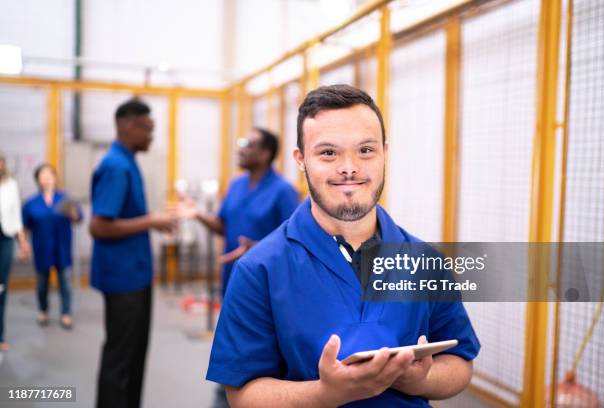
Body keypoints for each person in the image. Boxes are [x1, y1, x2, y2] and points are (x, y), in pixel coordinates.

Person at [206, 85, 480, 407]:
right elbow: (242, 395)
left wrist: (419, 379)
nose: (349, 167)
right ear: (301, 159)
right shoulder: (259, 269)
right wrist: (326, 394)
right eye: (328, 153)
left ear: (384, 153)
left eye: (365, 150)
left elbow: (460, 363)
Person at [90, 99, 176, 408]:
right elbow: (99, 226)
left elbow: (122, 216)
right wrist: (151, 220)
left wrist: (151, 221)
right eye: (148, 129)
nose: (152, 136)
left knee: (134, 353)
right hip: (123, 279)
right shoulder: (116, 166)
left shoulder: (127, 160)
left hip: (133, 275)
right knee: (122, 357)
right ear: (129, 125)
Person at [180, 127, 299, 296]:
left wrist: (258, 248)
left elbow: (295, 242)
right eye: (241, 143)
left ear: (265, 153)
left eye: (248, 145)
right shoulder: (236, 185)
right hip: (232, 276)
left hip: (265, 280)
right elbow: (222, 226)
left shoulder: (283, 191)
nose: (240, 150)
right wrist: (198, 214)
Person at [22, 163, 82, 329]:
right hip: (42, 249)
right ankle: (43, 311)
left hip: (62, 247)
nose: (46, 178)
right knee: (42, 284)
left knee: (65, 283)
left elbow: (78, 219)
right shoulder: (31, 203)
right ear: (38, 180)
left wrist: (72, 213)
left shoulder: (65, 198)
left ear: (55, 178)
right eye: (43, 175)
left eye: (49, 174)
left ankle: (66, 313)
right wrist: (24, 244)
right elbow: (24, 227)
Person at [0, 152, 30, 352]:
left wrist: (23, 241)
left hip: (5, 238)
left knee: (1, 288)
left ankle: (0, 334)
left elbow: (16, 215)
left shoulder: (11, 185)